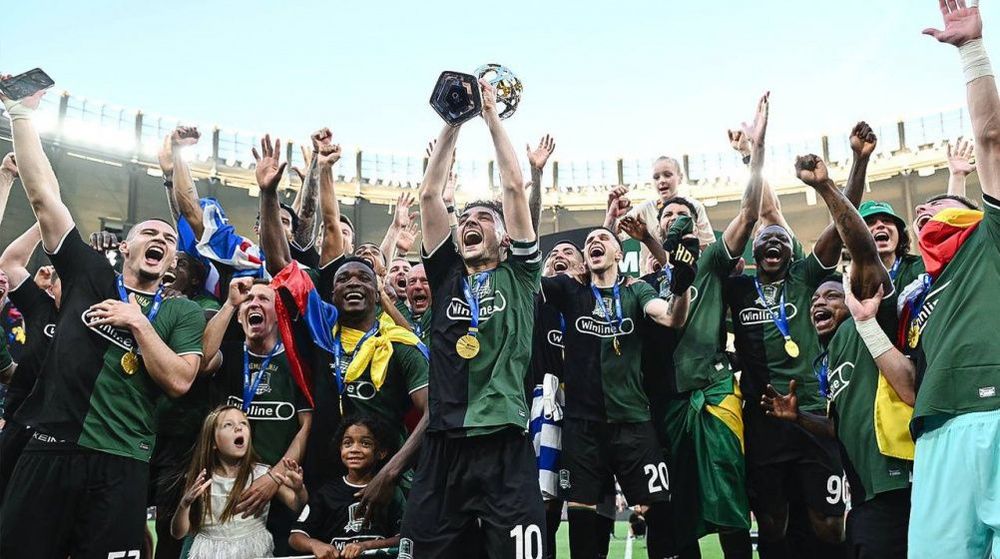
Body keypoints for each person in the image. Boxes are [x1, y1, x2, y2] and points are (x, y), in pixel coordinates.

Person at [0, 83, 206, 559]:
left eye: (169, 239)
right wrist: (21, 115)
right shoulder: (88, 274)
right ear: (126, 247)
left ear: (172, 261)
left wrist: (138, 323)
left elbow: (180, 380)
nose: (160, 240)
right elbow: (45, 199)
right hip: (52, 447)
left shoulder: (182, 311)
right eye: (149, 232)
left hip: (123, 461)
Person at [398, 79, 545, 559]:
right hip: (444, 442)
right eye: (466, 219)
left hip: (504, 440)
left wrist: (491, 116)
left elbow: (514, 188)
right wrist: (453, 122)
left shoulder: (521, 275)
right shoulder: (445, 276)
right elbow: (429, 197)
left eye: (485, 219)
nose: (470, 223)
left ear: (505, 238)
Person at [621, 92, 770, 559]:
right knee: (678, 506)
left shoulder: (713, 260)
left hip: (715, 390)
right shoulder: (646, 284)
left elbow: (749, 213)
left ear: (696, 222)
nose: (671, 217)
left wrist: (756, 153)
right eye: (665, 214)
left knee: (728, 494)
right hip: (668, 402)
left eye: (680, 214)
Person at [723, 140, 875, 557]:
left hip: (812, 413)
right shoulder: (736, 288)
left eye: (781, 238)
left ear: (793, 249)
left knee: (829, 525)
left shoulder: (806, 276)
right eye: (764, 238)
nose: (773, 242)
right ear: (752, 251)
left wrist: (857, 162)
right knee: (772, 522)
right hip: (762, 420)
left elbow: (844, 219)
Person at [762, 158, 907, 557]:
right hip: (864, 492)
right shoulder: (825, 359)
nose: (818, 303)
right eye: (814, 299)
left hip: (897, 484)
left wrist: (827, 186)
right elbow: (838, 427)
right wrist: (799, 418)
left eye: (830, 296)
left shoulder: (865, 324)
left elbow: (862, 252)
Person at [541, 214, 695, 558]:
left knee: (659, 509)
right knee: (582, 517)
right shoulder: (570, 290)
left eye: (603, 238)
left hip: (634, 422)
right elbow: (530, 280)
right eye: (589, 241)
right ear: (585, 259)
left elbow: (672, 316)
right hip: (582, 427)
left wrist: (682, 287)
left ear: (618, 253)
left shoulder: (636, 289)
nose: (595, 242)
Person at [906, 2, 1000, 556]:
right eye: (919, 213)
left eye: (937, 205)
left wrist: (971, 50)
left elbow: (990, 137)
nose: (924, 213)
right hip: (938, 429)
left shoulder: (990, 238)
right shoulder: (918, 294)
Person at [200, 276, 313, 554]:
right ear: (240, 317)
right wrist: (230, 304)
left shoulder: (296, 361)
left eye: (264, 299)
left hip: (278, 486)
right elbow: (203, 360)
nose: (254, 303)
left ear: (278, 314)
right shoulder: (228, 354)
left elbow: (306, 427)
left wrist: (273, 478)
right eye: (248, 300)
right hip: (228, 488)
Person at [171, 405, 307, 559]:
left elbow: (298, 506)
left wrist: (299, 490)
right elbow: (178, 533)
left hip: (253, 554)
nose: (238, 428)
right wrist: (184, 505)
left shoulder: (262, 474)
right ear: (213, 442)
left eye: (243, 423)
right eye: (228, 425)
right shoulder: (200, 478)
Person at [289, 415, 406, 558]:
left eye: (365, 444)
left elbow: (405, 537)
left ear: (381, 452)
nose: (354, 449)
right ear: (340, 449)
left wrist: (366, 546)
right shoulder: (326, 493)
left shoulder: (389, 491)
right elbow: (296, 536)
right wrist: (315, 544)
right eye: (347, 443)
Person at [0, 226, 60, 503]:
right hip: (19, 424)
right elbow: (9, 263)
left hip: (64, 436)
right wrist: (44, 223)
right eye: (63, 276)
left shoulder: (100, 316)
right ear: (52, 287)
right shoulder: (41, 308)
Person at [403, 264, 432, 345]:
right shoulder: (396, 317)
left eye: (425, 281)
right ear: (406, 290)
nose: (418, 286)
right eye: (412, 282)